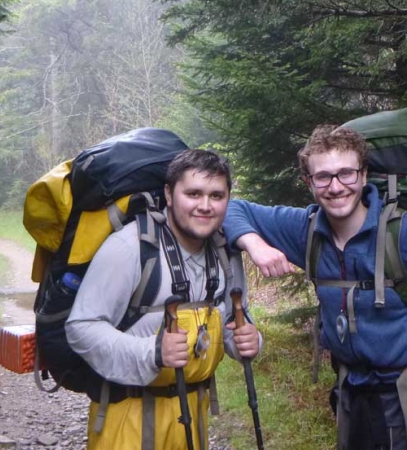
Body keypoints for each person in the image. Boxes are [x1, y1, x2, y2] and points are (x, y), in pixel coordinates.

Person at [222, 125, 407, 450]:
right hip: (353, 398)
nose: (336, 187)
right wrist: (255, 245)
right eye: (323, 177)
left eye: (346, 174)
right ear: (309, 182)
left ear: (363, 176)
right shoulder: (305, 229)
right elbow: (231, 208)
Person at [66, 149, 261, 450]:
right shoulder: (131, 248)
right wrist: (152, 352)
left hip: (193, 412)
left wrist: (247, 339)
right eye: (193, 194)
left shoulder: (225, 252)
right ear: (169, 194)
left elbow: (233, 317)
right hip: (127, 415)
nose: (205, 206)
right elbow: (82, 326)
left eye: (216, 196)